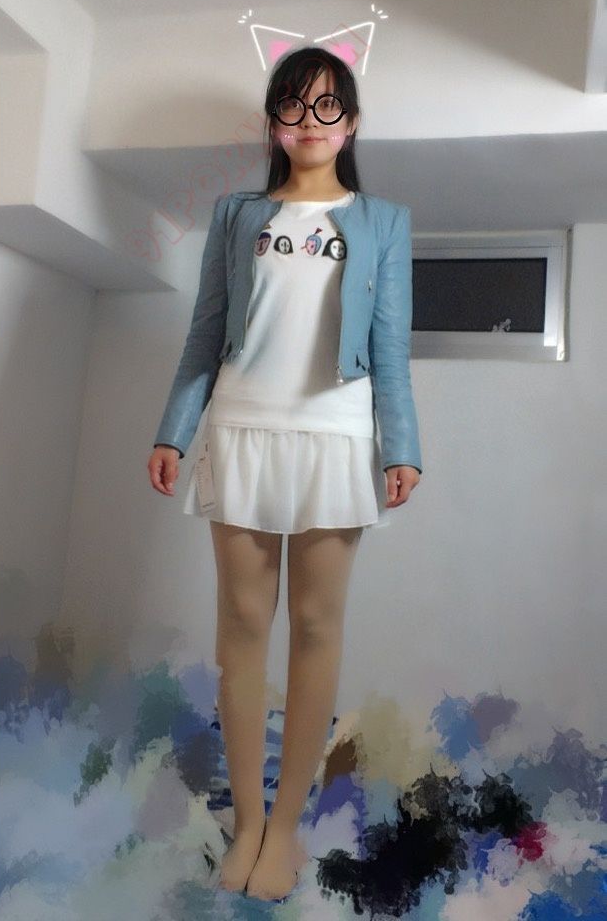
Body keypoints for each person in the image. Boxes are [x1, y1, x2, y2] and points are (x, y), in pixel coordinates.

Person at [147, 46, 422, 902]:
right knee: (240, 624)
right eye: (292, 106)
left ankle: (288, 825)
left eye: (326, 106)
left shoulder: (383, 221)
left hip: (336, 435)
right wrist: (173, 431)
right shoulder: (237, 215)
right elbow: (205, 333)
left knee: (314, 625)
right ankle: (247, 823)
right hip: (241, 427)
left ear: (351, 122)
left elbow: (390, 348)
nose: (309, 122)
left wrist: (401, 447)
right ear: (274, 122)